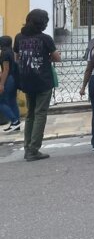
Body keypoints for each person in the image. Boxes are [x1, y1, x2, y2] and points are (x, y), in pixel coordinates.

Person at [13, 9, 60, 161]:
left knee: (30, 114)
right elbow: (56, 58)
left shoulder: (19, 37)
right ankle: (34, 149)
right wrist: (45, 58)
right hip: (43, 80)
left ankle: (27, 148)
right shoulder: (45, 39)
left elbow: (17, 58)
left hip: (26, 79)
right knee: (40, 114)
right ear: (43, 24)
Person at [0, 35, 21, 133]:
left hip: (8, 79)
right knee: (12, 101)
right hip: (14, 79)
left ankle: (14, 121)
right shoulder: (11, 52)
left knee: (1, 102)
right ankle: (16, 124)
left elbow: (6, 69)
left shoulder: (4, 53)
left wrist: (1, 84)